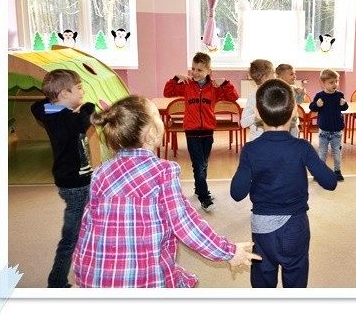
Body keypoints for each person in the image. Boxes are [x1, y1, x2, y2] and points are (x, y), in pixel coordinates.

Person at [73, 95, 260, 287]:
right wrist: (228, 252)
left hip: (93, 275)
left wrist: (79, 268)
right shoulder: (163, 172)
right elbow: (185, 224)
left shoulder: (100, 172)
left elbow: (86, 224)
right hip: (143, 277)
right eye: (156, 115)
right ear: (151, 132)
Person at [230, 79, 338, 288]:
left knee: (263, 279)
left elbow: (237, 193)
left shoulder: (251, 150)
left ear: (258, 114)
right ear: (294, 112)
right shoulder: (302, 147)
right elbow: (330, 182)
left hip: (262, 229)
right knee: (295, 276)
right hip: (295, 227)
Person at [30, 69, 96, 288]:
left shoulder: (50, 112)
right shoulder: (70, 119)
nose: (83, 92)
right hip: (77, 185)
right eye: (79, 88)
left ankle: (91, 263)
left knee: (89, 223)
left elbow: (36, 106)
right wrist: (88, 107)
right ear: (65, 94)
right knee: (70, 238)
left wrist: (55, 101)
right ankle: (56, 282)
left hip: (69, 181)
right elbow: (84, 118)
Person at [163, 52, 239, 212]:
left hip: (208, 131)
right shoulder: (187, 85)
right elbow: (168, 92)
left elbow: (233, 97)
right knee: (199, 165)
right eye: (193, 69)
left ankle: (198, 189)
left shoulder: (215, 88)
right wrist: (176, 78)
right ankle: (204, 197)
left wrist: (225, 83)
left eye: (200, 70)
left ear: (209, 71)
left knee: (202, 164)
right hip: (191, 131)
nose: (195, 73)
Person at [308, 69, 348, 181]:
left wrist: (344, 104)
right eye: (331, 82)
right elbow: (312, 107)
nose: (335, 84)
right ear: (323, 83)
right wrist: (317, 104)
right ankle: (321, 172)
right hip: (324, 130)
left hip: (337, 131)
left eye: (336, 81)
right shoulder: (319, 95)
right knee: (322, 152)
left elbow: (344, 108)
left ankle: (337, 171)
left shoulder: (339, 95)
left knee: (337, 152)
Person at [241, 59, 274, 141]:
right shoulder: (253, 95)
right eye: (273, 73)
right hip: (258, 139)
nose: (275, 76)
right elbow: (243, 123)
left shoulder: (277, 92)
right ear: (265, 77)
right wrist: (259, 114)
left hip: (274, 139)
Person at [275, 63, 306, 137]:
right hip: (280, 122)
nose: (295, 76)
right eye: (291, 74)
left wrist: (301, 94)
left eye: (295, 74)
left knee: (294, 138)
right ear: (281, 77)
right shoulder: (276, 89)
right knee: (281, 139)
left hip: (293, 122)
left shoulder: (293, 88)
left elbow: (298, 102)